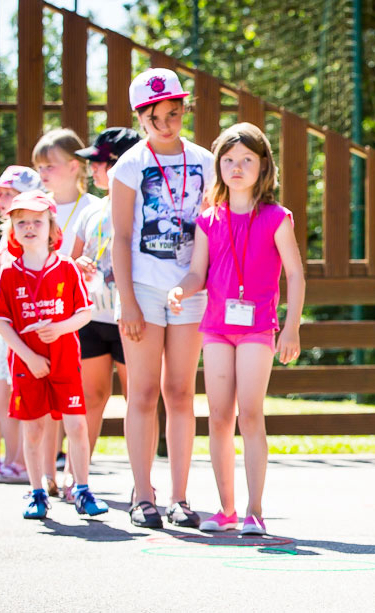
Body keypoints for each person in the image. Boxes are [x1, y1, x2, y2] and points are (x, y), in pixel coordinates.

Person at [168, 122, 304, 534]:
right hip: (216, 328)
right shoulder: (208, 219)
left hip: (258, 328)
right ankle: (226, 510)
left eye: (246, 159)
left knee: (250, 414)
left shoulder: (277, 218)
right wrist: (180, 290)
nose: (237, 167)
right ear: (218, 167)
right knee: (218, 416)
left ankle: (254, 511)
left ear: (263, 166)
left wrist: (291, 329)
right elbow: (197, 272)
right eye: (228, 160)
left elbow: (295, 275)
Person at [110, 68, 215, 529]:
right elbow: (120, 237)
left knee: (180, 391)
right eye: (155, 118)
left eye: (174, 113)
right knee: (143, 391)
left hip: (191, 289)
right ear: (140, 117)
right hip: (143, 289)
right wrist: (128, 302)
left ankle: (180, 497)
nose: (166, 124)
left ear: (184, 110)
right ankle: (142, 495)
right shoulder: (129, 165)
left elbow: (213, 226)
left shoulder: (205, 161)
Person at [0, 191, 107, 520]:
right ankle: (37, 492)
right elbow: (1, 322)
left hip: (65, 361)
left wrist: (59, 328)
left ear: (52, 228)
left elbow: (84, 313)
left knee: (77, 426)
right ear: (12, 230)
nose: (29, 227)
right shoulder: (9, 274)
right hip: (28, 365)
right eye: (21, 222)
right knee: (34, 430)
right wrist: (28, 356)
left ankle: (82, 488)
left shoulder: (67, 267)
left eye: (37, 221)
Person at [68, 127, 142, 474]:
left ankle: (141, 480)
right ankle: (76, 474)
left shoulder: (141, 210)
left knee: (137, 399)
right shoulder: (91, 210)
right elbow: (70, 262)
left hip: (131, 317)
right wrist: (77, 265)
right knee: (90, 397)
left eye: (99, 162)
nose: (93, 169)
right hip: (92, 318)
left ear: (120, 165)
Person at [32, 128, 100, 490]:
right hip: (44, 314)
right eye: (39, 167)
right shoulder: (34, 207)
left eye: (50, 165)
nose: (43, 173)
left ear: (75, 166)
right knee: (47, 396)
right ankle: (46, 474)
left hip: (83, 314)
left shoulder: (94, 207)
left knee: (77, 396)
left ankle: (75, 474)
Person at [0, 165, 45, 484]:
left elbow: (15, 279)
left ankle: (20, 462)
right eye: (0, 195)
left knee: (15, 392)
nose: (1, 200)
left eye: (7, 194)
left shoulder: (26, 233)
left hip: (22, 324)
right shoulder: (8, 232)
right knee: (0, 393)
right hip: (8, 323)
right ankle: (12, 458)